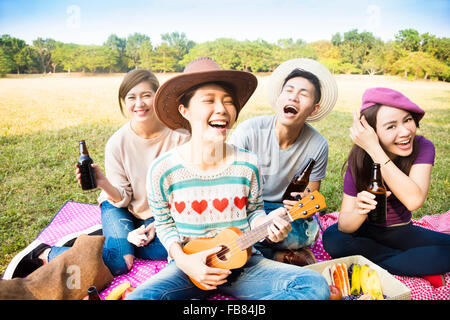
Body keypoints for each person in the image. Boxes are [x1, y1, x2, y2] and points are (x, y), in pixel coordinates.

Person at [125, 57, 330, 300]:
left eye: (228, 102)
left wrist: (267, 225)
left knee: (314, 286)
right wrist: (186, 262)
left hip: (243, 264)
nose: (222, 109)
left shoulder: (247, 164)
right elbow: (165, 224)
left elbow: (254, 211)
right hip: (187, 268)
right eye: (209, 100)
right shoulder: (163, 169)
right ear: (185, 110)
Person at [4, 69, 189, 279]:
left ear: (158, 97)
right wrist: (102, 182)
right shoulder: (117, 143)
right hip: (119, 204)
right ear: (123, 101)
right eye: (131, 97)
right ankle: (44, 252)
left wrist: (156, 225)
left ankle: (113, 240)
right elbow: (123, 197)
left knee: (176, 248)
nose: (140, 103)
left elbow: (184, 192)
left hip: (157, 215)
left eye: (146, 95)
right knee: (121, 261)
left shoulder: (180, 137)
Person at [322, 87, 450, 287]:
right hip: (365, 232)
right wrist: (359, 210)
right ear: (372, 132)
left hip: (402, 232)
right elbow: (345, 225)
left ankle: (389, 263)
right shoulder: (359, 158)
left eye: (407, 120)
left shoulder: (423, 147)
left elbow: (414, 200)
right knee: (332, 237)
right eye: (391, 126)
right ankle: (410, 263)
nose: (405, 131)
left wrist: (375, 150)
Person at [228, 58, 338, 266]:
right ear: (279, 98)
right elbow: (229, 189)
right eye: (289, 91)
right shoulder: (248, 132)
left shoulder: (318, 144)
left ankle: (253, 250)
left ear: (314, 109)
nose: (294, 97)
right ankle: (273, 255)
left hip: (284, 213)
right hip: (246, 208)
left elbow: (311, 200)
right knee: (226, 229)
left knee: (304, 235)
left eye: (303, 94)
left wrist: (302, 201)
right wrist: (258, 220)